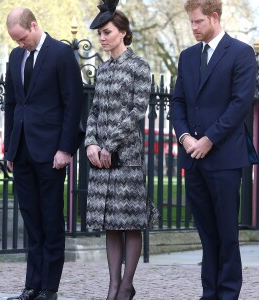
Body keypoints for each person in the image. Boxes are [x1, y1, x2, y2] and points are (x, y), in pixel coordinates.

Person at [171, 0, 256, 299]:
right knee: (207, 235)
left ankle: (228, 293)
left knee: (226, 234)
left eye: (197, 22)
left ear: (214, 17)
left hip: (224, 158)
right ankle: (210, 293)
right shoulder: (188, 56)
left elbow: (240, 104)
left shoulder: (242, 53)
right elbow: (178, 102)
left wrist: (208, 139)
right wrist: (184, 137)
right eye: (191, 22)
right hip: (193, 158)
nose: (193, 27)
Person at [4, 7, 84, 300]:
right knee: (32, 221)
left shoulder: (61, 55)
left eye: (22, 38)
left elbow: (73, 104)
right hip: (22, 152)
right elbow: (11, 105)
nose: (19, 44)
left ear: (34, 26)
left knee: (51, 220)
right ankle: (31, 286)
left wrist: (66, 148)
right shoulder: (15, 57)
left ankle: (49, 288)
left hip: (51, 153)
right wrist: (9, 148)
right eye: (15, 40)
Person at [85, 1, 158, 299]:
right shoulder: (101, 72)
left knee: (131, 222)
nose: (102, 38)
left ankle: (127, 285)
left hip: (125, 157)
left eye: (107, 32)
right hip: (101, 160)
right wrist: (90, 142)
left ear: (122, 33)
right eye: (100, 34)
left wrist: (109, 144)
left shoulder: (139, 67)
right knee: (110, 224)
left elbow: (136, 111)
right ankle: (113, 286)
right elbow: (93, 111)